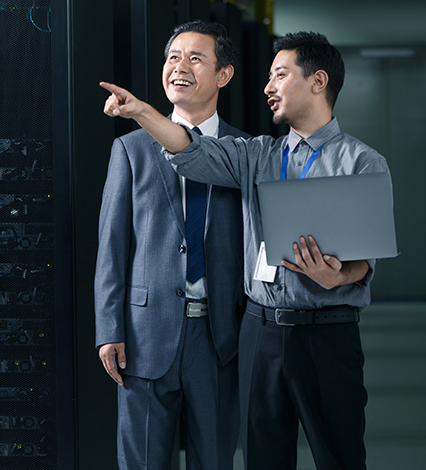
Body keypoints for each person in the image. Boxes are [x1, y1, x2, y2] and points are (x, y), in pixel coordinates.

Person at [100, 31, 392, 470]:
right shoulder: (257, 154)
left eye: (279, 75)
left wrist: (341, 276)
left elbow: (365, 258)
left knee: (340, 455)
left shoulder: (362, 161)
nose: (268, 87)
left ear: (318, 81)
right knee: (263, 458)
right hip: (261, 329)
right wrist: (140, 110)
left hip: (326, 330)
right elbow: (188, 149)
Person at [95, 20, 250, 470]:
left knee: (215, 459)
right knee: (143, 461)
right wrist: (109, 329)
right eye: (172, 57)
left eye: (195, 58)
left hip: (220, 335)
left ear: (224, 75)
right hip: (144, 334)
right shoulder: (132, 148)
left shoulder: (246, 151)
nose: (179, 67)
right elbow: (112, 246)